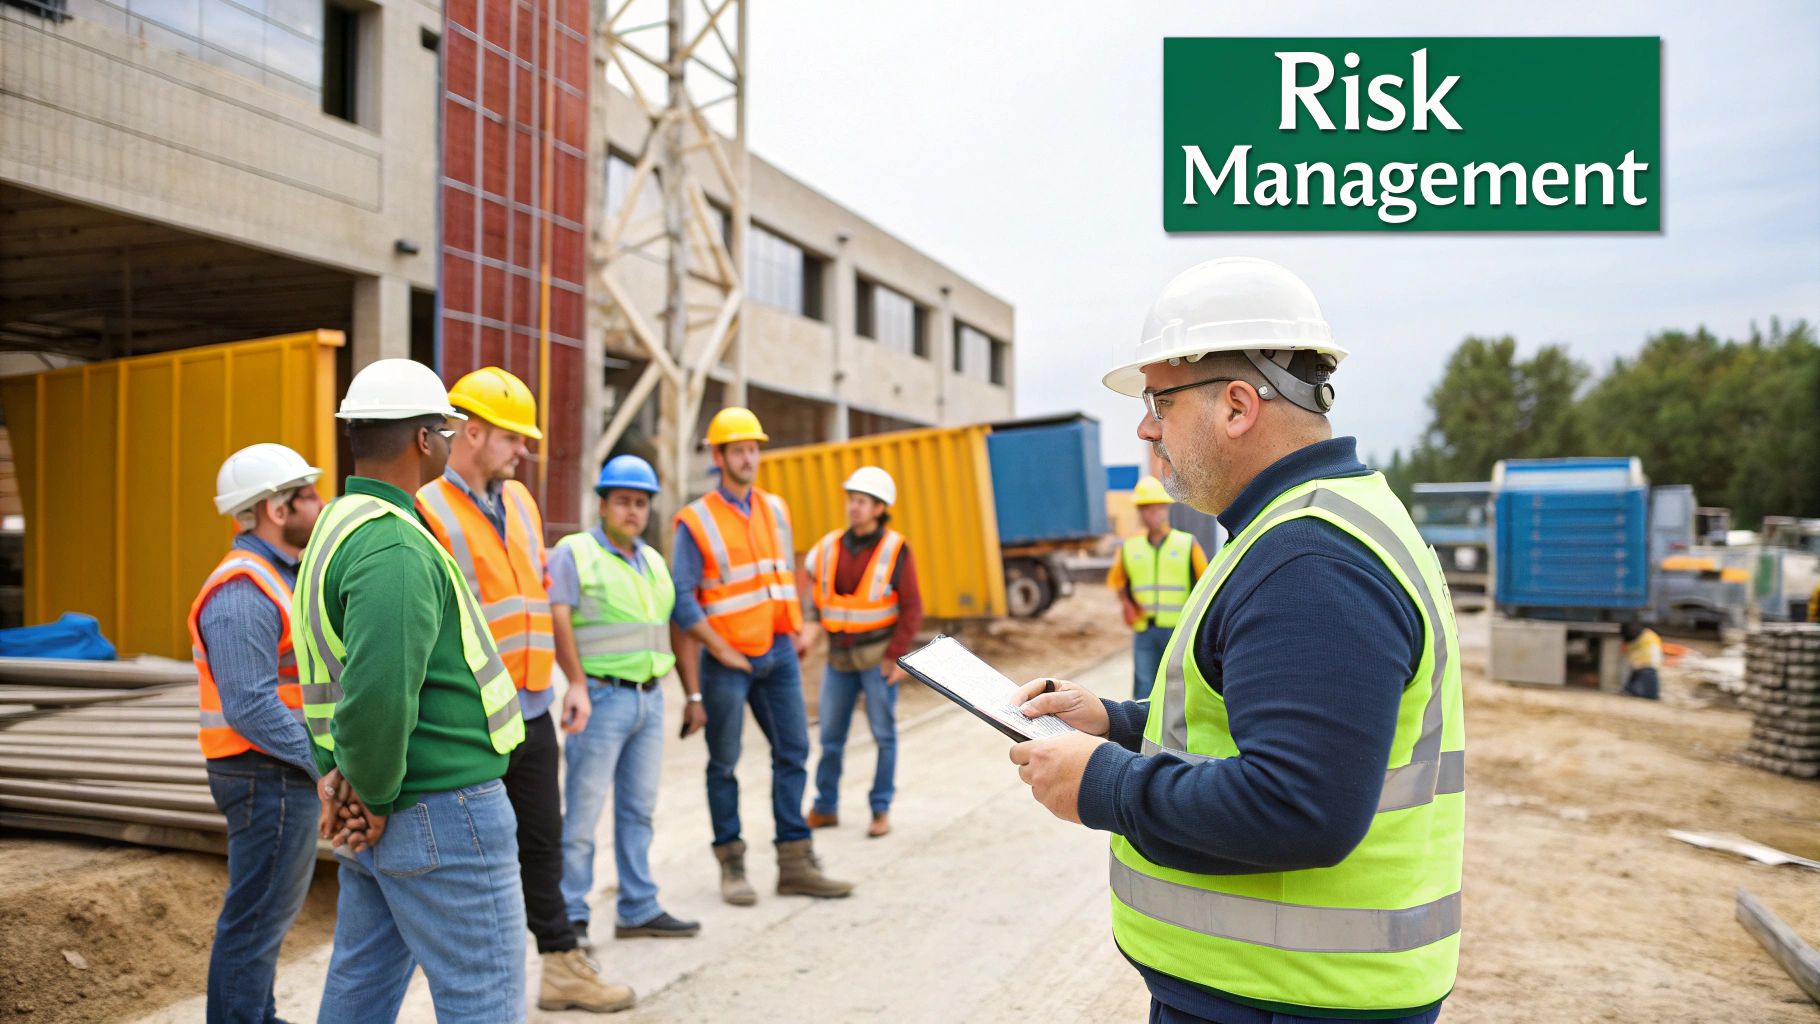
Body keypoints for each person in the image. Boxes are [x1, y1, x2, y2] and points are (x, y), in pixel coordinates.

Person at [1007, 258, 1464, 1024]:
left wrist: (1103, 784)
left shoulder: (1311, 559)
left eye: (1159, 402)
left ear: (1239, 406)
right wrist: (1116, 722)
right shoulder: (1306, 528)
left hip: (1295, 1000)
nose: (1147, 428)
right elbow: (1257, 712)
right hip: (1280, 993)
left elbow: (1300, 806)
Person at [296, 358, 543, 1022]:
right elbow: (378, 695)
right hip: (439, 808)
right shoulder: (392, 546)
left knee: (361, 990)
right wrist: (371, 794)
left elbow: (331, 678)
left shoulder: (339, 523)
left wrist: (343, 781)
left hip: (388, 801)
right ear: (424, 439)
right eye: (447, 429)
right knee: (483, 998)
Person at [415, 366, 630, 1013]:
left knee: (542, 839)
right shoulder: (428, 509)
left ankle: (561, 965)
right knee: (479, 855)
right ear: (473, 433)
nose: (523, 451)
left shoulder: (521, 502)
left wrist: (574, 681)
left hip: (531, 704)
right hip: (471, 718)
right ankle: (478, 986)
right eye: (513, 438)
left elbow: (539, 599)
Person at [671, 407, 854, 904]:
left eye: (754, 448)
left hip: (778, 653)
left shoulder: (775, 509)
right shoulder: (696, 519)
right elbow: (682, 598)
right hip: (728, 661)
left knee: (794, 752)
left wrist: (802, 623)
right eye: (739, 449)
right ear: (719, 456)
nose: (749, 457)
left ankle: (794, 861)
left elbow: (784, 572)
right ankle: (732, 864)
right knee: (724, 762)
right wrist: (720, 648)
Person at [190, 443, 324, 1024]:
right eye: (310, 495)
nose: (323, 504)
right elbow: (249, 705)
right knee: (256, 919)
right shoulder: (243, 589)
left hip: (273, 771)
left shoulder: (278, 576)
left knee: (265, 915)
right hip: (263, 772)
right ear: (275, 508)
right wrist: (323, 763)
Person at [548, 455, 702, 944]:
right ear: (602, 504)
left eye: (640, 503)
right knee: (583, 813)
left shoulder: (654, 561)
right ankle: (572, 912)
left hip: (649, 701)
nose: (633, 511)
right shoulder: (575, 553)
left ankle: (638, 906)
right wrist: (574, 681)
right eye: (623, 502)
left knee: (638, 811)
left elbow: (671, 627)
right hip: (599, 698)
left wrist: (690, 693)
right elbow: (559, 621)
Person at [798, 466, 925, 838]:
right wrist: (808, 635)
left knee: (884, 736)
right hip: (838, 659)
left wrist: (896, 656)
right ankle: (824, 807)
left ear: (879, 507)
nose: (854, 508)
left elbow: (912, 607)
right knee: (830, 738)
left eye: (862, 502)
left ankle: (880, 809)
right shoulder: (828, 547)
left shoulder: (896, 549)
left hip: (877, 659)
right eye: (851, 500)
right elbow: (815, 603)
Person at [1107, 475, 1208, 699]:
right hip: (1144, 630)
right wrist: (1127, 604)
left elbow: (1206, 585)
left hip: (1179, 631)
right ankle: (1140, 732)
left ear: (1165, 509)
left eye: (1157, 508)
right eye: (1146, 509)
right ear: (1140, 512)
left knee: (1178, 687)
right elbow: (1118, 581)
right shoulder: (1129, 547)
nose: (1153, 514)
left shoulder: (1186, 544)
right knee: (1144, 687)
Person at [1620, 622, 1663, 700]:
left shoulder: (1647, 637)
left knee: (1646, 684)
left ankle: (1650, 695)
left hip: (1648, 665)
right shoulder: (1647, 635)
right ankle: (1631, 691)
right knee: (1635, 682)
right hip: (1643, 666)